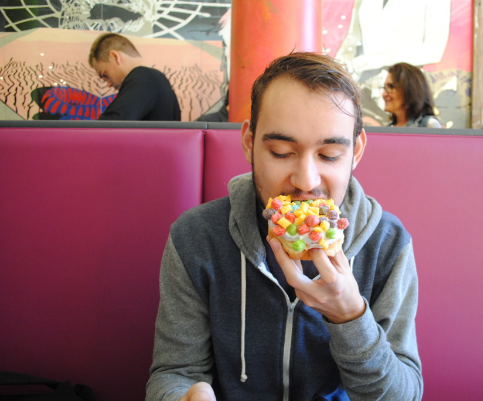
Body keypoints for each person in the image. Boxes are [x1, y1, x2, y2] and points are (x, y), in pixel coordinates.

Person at [146, 53, 423, 401]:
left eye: (329, 155)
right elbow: (174, 373)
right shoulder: (196, 238)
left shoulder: (388, 245)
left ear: (356, 150)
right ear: (249, 142)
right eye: (280, 151)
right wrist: (184, 396)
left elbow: (404, 395)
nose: (305, 181)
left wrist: (350, 316)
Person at [88, 33, 181, 121]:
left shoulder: (145, 77)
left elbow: (111, 125)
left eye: (105, 75)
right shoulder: (157, 78)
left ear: (115, 57)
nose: (108, 84)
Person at [382, 62, 442, 128]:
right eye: (385, 88)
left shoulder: (429, 125)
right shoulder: (387, 130)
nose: (384, 94)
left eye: (390, 87)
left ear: (410, 89)